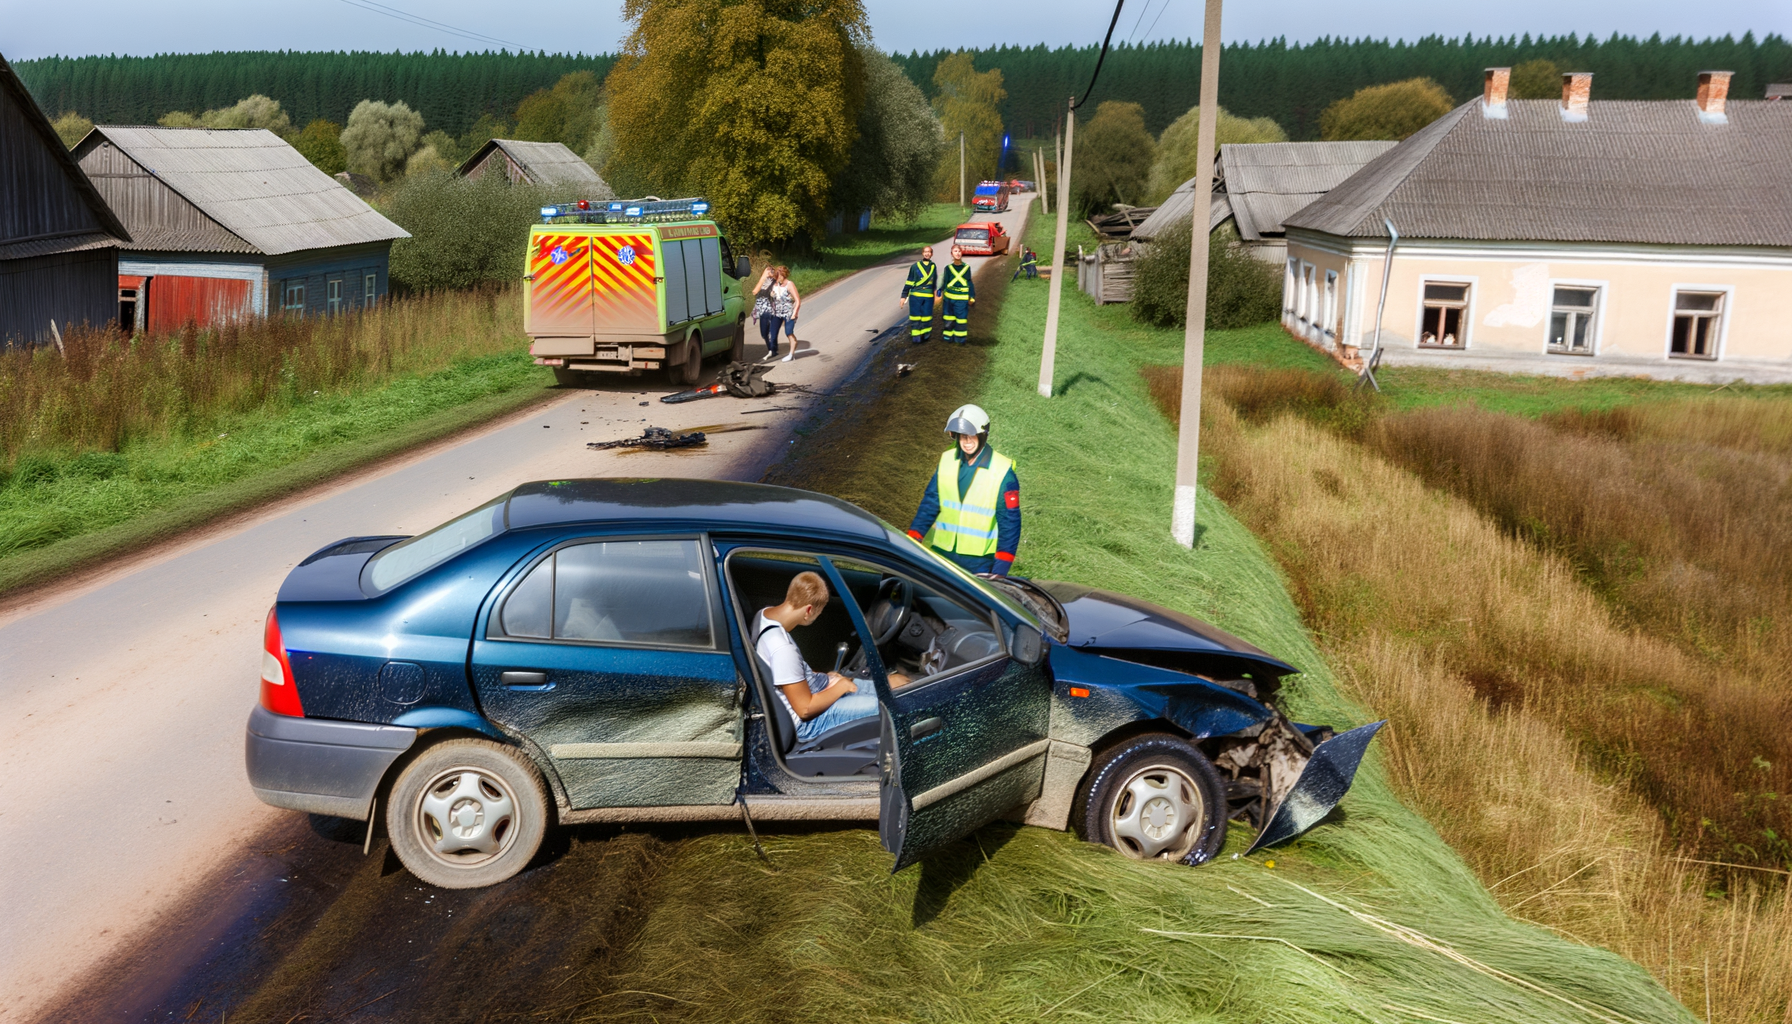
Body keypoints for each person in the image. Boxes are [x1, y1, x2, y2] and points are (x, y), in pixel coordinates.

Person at [753, 572, 903, 744]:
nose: (817, 617)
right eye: (819, 613)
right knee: (893, 705)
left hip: (816, 689)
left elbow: (789, 674)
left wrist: (826, 678)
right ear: (809, 610)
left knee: (897, 684)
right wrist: (840, 687)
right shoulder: (782, 649)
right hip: (811, 722)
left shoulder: (764, 615)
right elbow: (805, 709)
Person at [907, 404, 1020, 576]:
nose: (966, 442)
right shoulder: (947, 461)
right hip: (941, 553)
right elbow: (930, 504)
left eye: (971, 436)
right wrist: (911, 543)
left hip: (978, 563)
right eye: (961, 437)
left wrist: (1000, 572)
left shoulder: (1003, 472)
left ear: (983, 434)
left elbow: (1010, 526)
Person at [899, 245, 939, 344]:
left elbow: (934, 282)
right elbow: (909, 282)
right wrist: (903, 296)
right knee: (915, 316)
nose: (927, 253)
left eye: (929, 252)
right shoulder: (915, 267)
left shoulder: (933, 266)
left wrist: (936, 293)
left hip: (928, 297)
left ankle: (926, 335)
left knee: (927, 317)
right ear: (922, 253)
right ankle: (916, 336)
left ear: (932, 254)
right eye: (925, 252)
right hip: (915, 296)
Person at [939, 245, 976, 344]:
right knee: (948, 318)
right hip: (948, 300)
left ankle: (959, 340)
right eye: (955, 251)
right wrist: (940, 289)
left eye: (959, 251)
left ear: (961, 253)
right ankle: (948, 338)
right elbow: (946, 282)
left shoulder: (966, 268)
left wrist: (972, 296)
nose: (957, 253)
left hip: (961, 300)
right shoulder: (948, 268)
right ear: (952, 254)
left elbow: (969, 282)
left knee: (961, 320)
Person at [752, 263, 783, 359]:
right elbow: (755, 291)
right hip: (762, 309)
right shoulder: (763, 282)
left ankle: (772, 350)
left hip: (770, 309)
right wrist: (763, 277)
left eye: (771, 271)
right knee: (764, 332)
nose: (770, 272)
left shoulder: (775, 282)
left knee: (770, 331)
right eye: (768, 270)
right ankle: (772, 349)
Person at [775, 266, 803, 362]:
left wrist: (794, 314)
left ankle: (791, 354)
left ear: (783, 275)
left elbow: (798, 300)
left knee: (788, 332)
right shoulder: (777, 285)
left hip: (789, 313)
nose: (777, 278)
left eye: (778, 276)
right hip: (779, 313)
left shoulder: (789, 284)